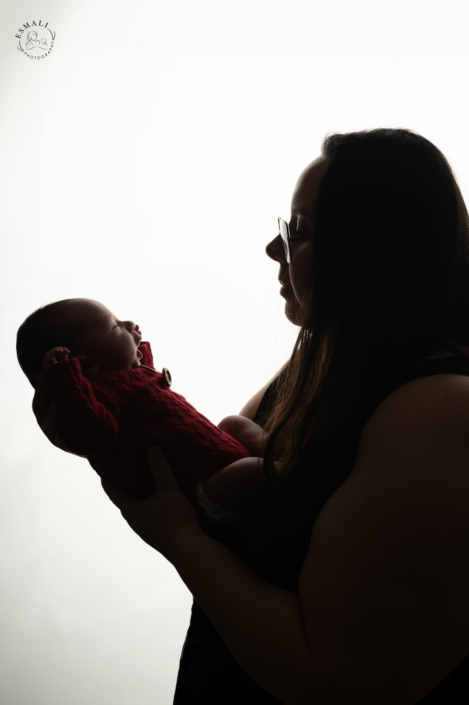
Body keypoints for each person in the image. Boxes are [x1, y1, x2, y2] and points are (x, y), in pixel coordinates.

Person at [37, 127, 469, 703]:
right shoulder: (306, 370)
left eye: (301, 233)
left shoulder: (442, 411)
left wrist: (173, 535)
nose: (275, 250)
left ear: (372, 254)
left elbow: (335, 679)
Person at [18, 298, 276, 521]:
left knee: (233, 423)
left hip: (217, 458)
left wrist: (137, 352)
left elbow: (142, 386)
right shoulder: (92, 402)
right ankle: (292, 472)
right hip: (200, 490)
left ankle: (281, 458)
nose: (129, 324)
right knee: (251, 470)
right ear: (85, 367)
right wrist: (67, 384)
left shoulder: (124, 380)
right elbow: (93, 433)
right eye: (115, 326)